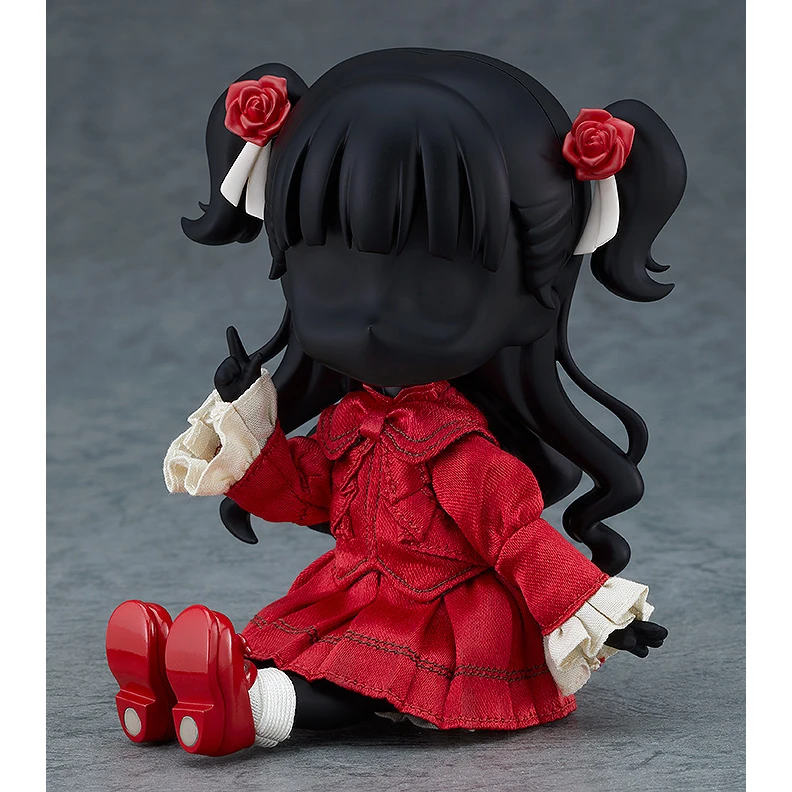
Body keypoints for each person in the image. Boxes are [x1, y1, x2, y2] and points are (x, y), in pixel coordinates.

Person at [106, 48, 685, 756]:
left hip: (446, 618)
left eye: (433, 287)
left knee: (362, 679)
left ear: (534, 301)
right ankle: (180, 691)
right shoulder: (352, 422)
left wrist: (601, 612)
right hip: (353, 591)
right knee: (303, 646)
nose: (372, 315)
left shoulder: (467, 456)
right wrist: (248, 423)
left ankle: (253, 706)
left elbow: (521, 544)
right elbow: (307, 493)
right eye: (327, 274)